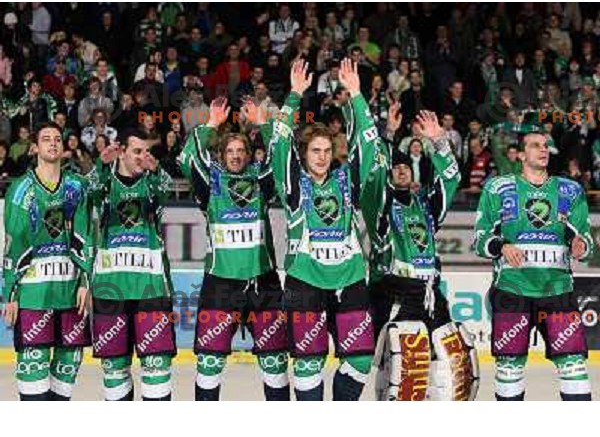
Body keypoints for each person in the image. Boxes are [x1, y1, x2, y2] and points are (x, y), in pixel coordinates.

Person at [267, 59, 381, 401]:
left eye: (327, 150)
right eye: (315, 150)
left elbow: (369, 146)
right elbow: (278, 144)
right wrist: (294, 96)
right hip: (305, 281)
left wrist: (358, 96)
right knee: (307, 363)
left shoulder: (347, 178)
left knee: (361, 358)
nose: (321, 156)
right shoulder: (293, 182)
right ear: (303, 154)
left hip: (349, 280)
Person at [363, 104, 479, 401]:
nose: (400, 169)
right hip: (394, 292)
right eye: (395, 166)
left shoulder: (425, 205)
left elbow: (450, 180)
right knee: (402, 370)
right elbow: (374, 175)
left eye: (405, 166)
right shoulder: (381, 207)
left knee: (453, 367)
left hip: (430, 291)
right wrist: (388, 134)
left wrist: (440, 141)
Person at [178, 97, 289, 401]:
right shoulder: (210, 184)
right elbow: (186, 159)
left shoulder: (261, 180)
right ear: (221, 155)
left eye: (241, 151)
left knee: (275, 362)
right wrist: (210, 125)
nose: (236, 156)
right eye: (230, 151)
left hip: (263, 284)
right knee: (209, 364)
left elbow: (281, 157)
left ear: (250, 155)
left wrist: (264, 124)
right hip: (220, 285)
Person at [474, 130, 594, 401]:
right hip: (512, 290)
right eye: (535, 145)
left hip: (558, 292)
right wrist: (502, 246)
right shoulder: (497, 188)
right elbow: (480, 239)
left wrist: (581, 244)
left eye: (546, 146)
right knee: (509, 367)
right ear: (519, 154)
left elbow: (586, 238)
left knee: (574, 365)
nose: (543, 150)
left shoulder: (570, 190)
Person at [1, 122, 92, 401]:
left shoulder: (77, 186)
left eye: (57, 139)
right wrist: (10, 294)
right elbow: (13, 244)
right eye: (46, 139)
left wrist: (85, 281)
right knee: (34, 393)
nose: (53, 143)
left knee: (62, 391)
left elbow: (87, 236)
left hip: (69, 295)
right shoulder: (20, 189)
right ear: (35, 147)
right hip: (33, 297)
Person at [87, 130, 176, 401]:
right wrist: (101, 165)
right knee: (114, 370)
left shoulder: (151, 184)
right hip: (109, 289)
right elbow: (88, 193)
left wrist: (157, 167)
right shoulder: (105, 184)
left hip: (151, 288)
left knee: (157, 368)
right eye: (137, 151)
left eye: (146, 151)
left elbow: (166, 191)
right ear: (122, 151)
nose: (142, 157)